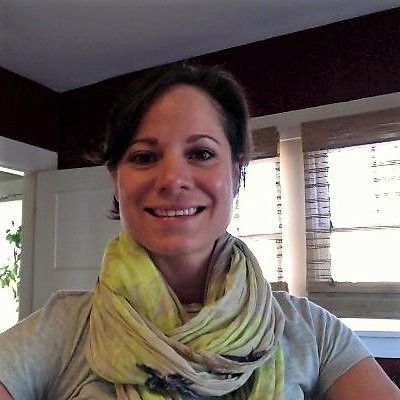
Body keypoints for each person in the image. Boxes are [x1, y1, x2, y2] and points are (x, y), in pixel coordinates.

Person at [0, 63, 399, 400]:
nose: (173, 178)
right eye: (144, 157)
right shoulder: (62, 330)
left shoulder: (311, 330)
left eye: (201, 153)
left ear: (236, 172)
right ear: (115, 181)